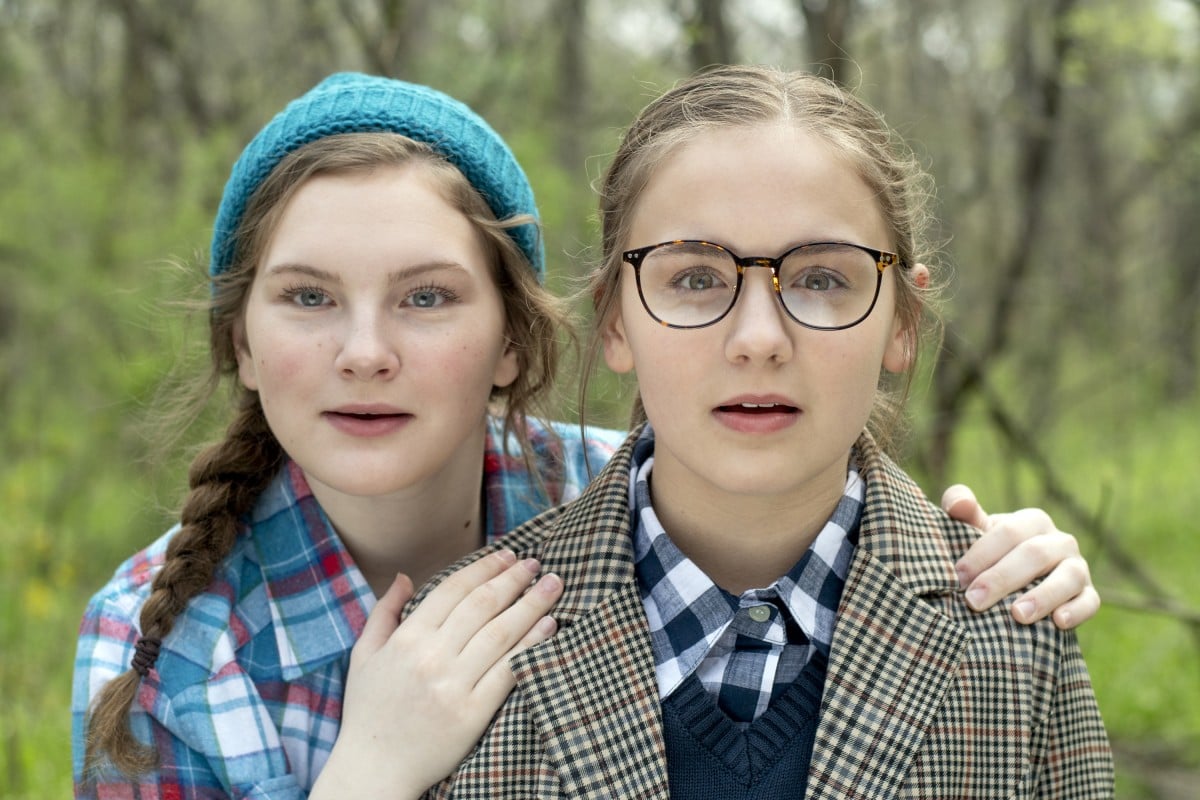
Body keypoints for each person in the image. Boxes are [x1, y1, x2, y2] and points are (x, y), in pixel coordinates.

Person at [73, 72, 1101, 799]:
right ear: (239, 340)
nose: (365, 351)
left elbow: (774, 476)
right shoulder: (161, 647)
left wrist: (988, 553)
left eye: (428, 296)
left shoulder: (618, 487)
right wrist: (370, 773)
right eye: (306, 297)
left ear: (514, 342)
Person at [416, 65, 1113, 798]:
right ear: (616, 322)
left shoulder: (1017, 636)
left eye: (821, 278)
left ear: (902, 323)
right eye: (694, 277)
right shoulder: (468, 646)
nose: (758, 339)